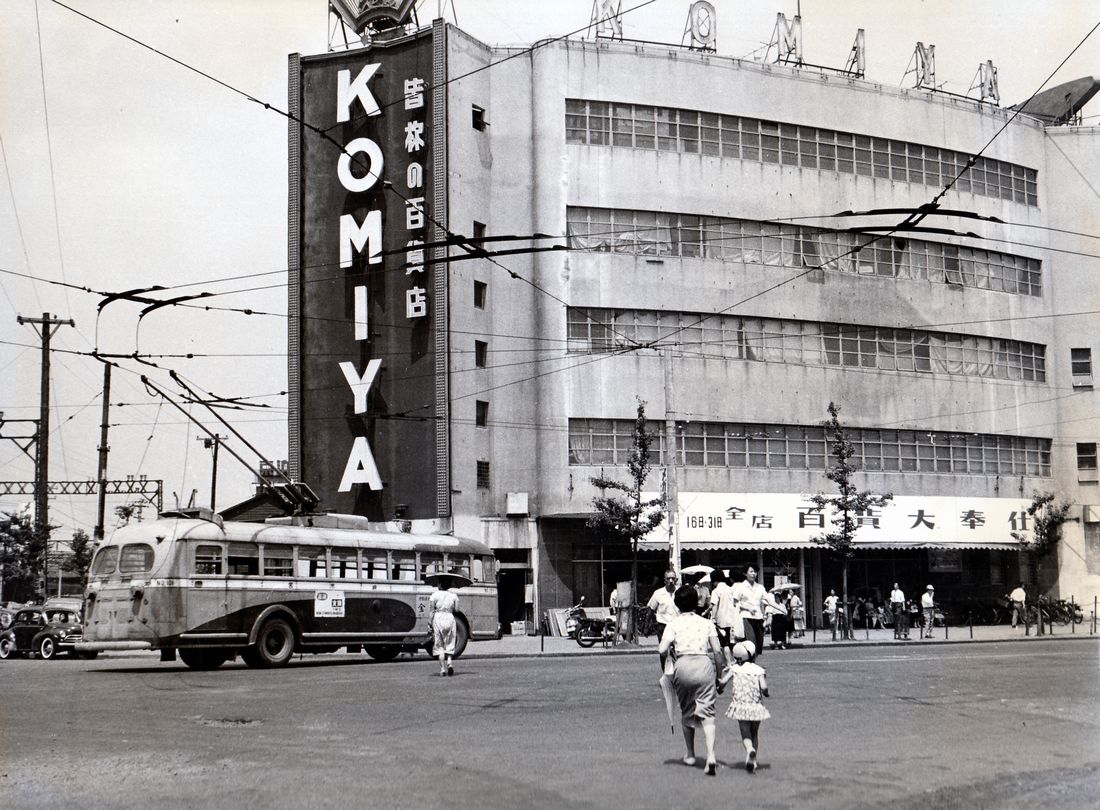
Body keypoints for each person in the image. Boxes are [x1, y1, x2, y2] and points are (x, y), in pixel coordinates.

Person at [657, 585, 724, 776]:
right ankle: (711, 756)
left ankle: (691, 754)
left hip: (683, 665)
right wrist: (719, 676)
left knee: (687, 711)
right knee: (708, 713)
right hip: (703, 664)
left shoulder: (673, 624)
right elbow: (718, 651)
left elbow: (662, 649)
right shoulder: (706, 623)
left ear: (677, 605)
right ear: (697, 602)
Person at [724, 641, 770, 774]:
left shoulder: (735, 669)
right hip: (756, 707)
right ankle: (753, 761)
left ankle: (750, 750)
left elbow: (723, 681)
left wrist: (719, 687)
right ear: (753, 655)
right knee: (754, 733)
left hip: (741, 706)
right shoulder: (759, 670)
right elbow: (764, 687)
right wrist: (766, 693)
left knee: (745, 734)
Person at [731, 566, 767, 660]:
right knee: (751, 642)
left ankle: (752, 661)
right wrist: (747, 608)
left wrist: (779, 607)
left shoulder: (760, 587)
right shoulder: (741, 587)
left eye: (755, 571)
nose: (753, 574)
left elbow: (768, 600)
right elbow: (735, 602)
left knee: (759, 643)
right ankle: (749, 663)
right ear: (745, 573)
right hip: (746, 617)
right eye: (751, 571)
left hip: (758, 617)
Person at [648, 571, 681, 670]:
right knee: (663, 651)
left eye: (673, 578)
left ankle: (678, 673)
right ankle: (666, 673)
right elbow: (651, 609)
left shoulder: (680, 592)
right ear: (664, 580)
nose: (671, 581)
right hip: (663, 626)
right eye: (668, 578)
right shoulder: (658, 593)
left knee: (679, 650)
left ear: (676, 580)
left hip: (678, 626)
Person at [428, 578, 460, 676]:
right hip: (450, 618)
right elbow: (457, 610)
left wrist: (429, 623)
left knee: (439, 644)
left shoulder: (434, 595)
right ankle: (449, 663)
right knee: (450, 641)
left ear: (440, 585)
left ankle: (442, 669)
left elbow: (431, 611)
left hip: (438, 618)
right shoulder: (454, 596)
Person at [708, 570, 737, 662]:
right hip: (733, 620)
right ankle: (735, 661)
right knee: (732, 642)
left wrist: (713, 618)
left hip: (722, 621)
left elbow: (714, 605)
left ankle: (729, 662)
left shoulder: (716, 591)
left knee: (725, 643)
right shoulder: (731, 589)